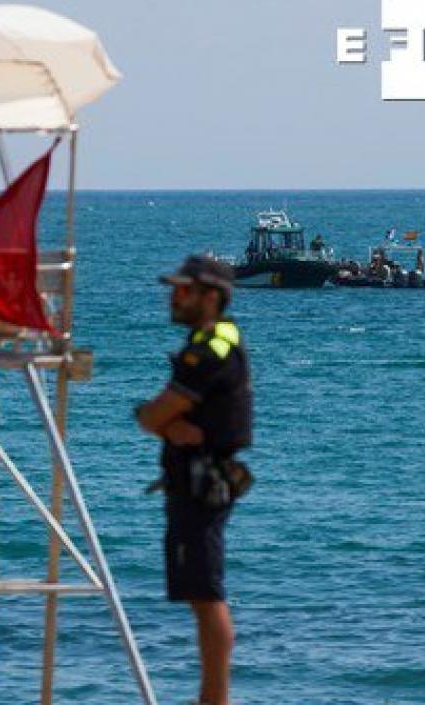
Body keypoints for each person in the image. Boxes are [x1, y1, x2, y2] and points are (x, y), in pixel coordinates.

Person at [134, 255, 253, 705]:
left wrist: (155, 419)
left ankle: (214, 699)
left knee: (206, 595)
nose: (174, 296)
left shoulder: (209, 352)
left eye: (183, 290)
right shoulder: (212, 342)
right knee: (201, 594)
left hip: (203, 482)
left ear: (210, 296)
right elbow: (163, 419)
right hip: (196, 479)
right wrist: (164, 423)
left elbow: (156, 413)